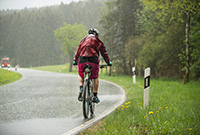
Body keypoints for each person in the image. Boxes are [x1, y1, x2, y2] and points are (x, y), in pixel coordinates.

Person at [73, 28, 112, 103]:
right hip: (93, 60)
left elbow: (78, 50)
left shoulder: (83, 40)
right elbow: (104, 53)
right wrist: (108, 62)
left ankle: (81, 88)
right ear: (97, 34)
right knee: (95, 77)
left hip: (82, 60)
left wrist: (75, 60)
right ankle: (95, 95)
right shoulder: (98, 40)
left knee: (81, 75)